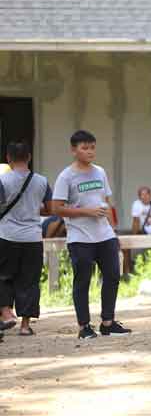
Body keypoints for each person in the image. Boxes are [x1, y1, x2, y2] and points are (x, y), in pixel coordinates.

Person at [52, 130, 131, 339]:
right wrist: (86, 212)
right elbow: (56, 208)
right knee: (83, 280)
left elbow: (108, 202)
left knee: (113, 275)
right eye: (84, 148)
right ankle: (84, 326)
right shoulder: (66, 176)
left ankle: (108, 322)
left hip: (104, 235)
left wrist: (114, 233)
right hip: (80, 237)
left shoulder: (100, 172)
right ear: (73, 150)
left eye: (92, 147)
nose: (89, 152)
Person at [0, 142, 52, 336]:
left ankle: (7, 313)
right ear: (29, 157)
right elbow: (50, 209)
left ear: (8, 158)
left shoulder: (3, 180)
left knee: (3, 276)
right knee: (29, 281)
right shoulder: (42, 181)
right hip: (32, 237)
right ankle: (25, 326)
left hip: (7, 236)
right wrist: (31, 208)